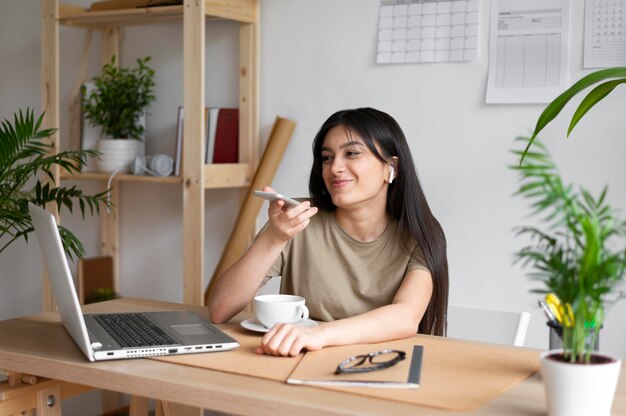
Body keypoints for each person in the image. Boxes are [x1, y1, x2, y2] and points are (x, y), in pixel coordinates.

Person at [208, 107, 448, 356]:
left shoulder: (420, 233)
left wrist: (319, 335)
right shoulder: (297, 219)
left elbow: (405, 317)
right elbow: (220, 309)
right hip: (296, 361)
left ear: (392, 168)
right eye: (327, 158)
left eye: (352, 153)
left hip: (380, 364)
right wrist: (274, 238)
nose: (335, 168)